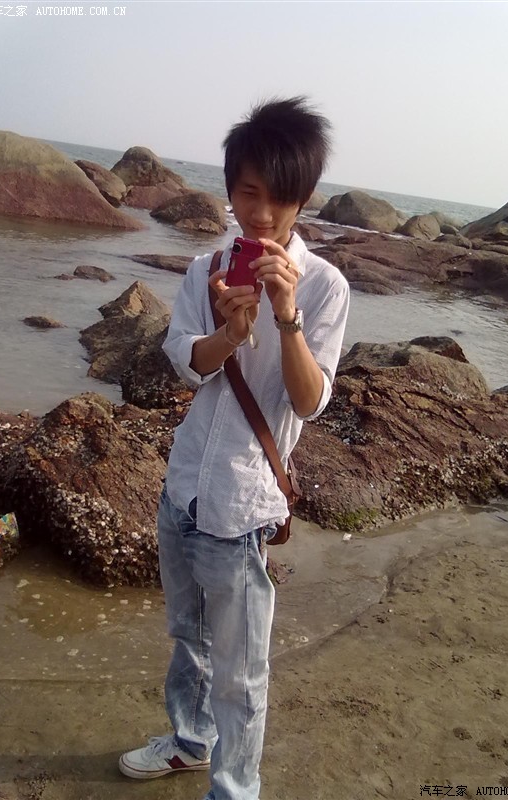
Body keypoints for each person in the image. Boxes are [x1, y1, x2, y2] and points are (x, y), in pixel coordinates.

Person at [119, 96, 350, 800]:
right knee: (187, 636)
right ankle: (190, 742)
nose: (262, 213)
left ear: (303, 199)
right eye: (249, 192)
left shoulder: (325, 287)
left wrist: (286, 318)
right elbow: (187, 363)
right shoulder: (205, 269)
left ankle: (234, 789)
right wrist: (229, 331)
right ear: (229, 190)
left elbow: (310, 401)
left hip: (244, 506)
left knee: (241, 673)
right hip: (184, 488)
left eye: (280, 198)